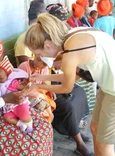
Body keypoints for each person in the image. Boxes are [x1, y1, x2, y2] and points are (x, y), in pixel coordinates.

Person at [24, 12, 115, 156]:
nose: (40, 57)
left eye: (39, 53)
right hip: (107, 86)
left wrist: (38, 86)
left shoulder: (71, 51)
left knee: (105, 144)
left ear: (47, 45)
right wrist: (41, 77)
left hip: (113, 90)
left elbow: (67, 86)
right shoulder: (73, 35)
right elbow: (73, 77)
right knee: (95, 128)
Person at [0, 56, 33, 133]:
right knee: (6, 117)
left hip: (19, 104)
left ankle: (30, 126)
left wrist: (25, 84)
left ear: (8, 74)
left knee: (24, 117)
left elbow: (23, 87)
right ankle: (20, 124)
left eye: (1, 78)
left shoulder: (14, 82)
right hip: (9, 107)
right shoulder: (1, 86)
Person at [19, 55, 56, 123]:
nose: (43, 67)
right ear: (37, 58)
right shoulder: (24, 67)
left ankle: (44, 130)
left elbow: (43, 81)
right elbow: (19, 87)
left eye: (46, 65)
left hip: (37, 94)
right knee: (43, 116)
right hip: (26, 96)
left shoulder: (44, 69)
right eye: (44, 64)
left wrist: (50, 89)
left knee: (51, 115)